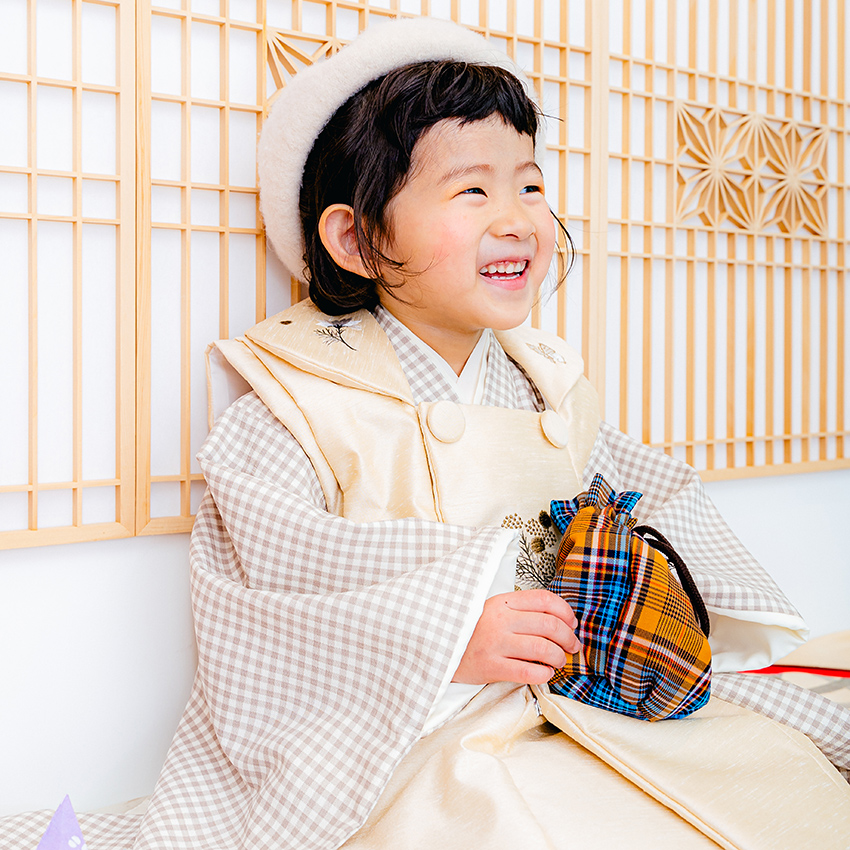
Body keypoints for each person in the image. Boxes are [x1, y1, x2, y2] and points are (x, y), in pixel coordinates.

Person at [2, 15, 848, 850]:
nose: (517, 218)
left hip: (575, 700)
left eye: (529, 185)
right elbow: (265, 607)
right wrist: (449, 637)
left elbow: (652, 496)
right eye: (473, 191)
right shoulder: (295, 400)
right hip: (413, 732)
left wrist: (637, 589)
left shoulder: (547, 384)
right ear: (358, 239)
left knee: (773, 780)